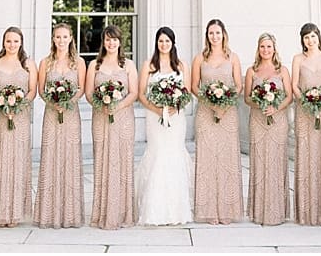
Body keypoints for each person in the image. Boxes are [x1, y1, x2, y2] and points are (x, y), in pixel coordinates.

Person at [136, 26, 194, 225]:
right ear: (156, 43)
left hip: (176, 118)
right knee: (158, 153)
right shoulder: (149, 66)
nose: (164, 44)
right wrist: (156, 108)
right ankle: (154, 209)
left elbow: (186, 93)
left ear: (173, 43)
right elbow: (141, 94)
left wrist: (175, 108)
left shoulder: (182, 65)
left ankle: (177, 210)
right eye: (161, 41)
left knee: (174, 154)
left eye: (167, 41)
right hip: (155, 117)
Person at [191, 18, 243, 224]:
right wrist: (211, 104)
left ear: (224, 35)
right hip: (205, 113)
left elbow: (238, 86)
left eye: (218, 33)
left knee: (226, 160)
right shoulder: (199, 58)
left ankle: (228, 210)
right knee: (208, 160)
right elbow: (195, 86)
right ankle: (209, 211)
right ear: (207, 36)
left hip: (228, 113)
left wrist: (224, 105)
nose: (214, 37)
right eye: (211, 33)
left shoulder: (233, 57)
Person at [0, 26, 36, 226]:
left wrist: (19, 104)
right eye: (8, 41)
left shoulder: (28, 64)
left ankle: (15, 213)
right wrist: (1, 105)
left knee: (17, 162)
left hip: (20, 118)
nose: (12, 45)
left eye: (15, 41)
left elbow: (32, 90)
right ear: (3, 42)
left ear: (21, 42)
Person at [86, 24, 137, 230]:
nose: (111, 43)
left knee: (122, 161)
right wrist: (102, 105)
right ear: (103, 42)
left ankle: (123, 213)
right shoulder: (94, 66)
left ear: (119, 42)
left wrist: (117, 106)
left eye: (114, 39)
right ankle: (102, 213)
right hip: (101, 117)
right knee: (103, 161)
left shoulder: (128, 65)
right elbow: (89, 93)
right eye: (107, 39)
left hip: (123, 118)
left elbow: (133, 93)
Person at [35, 22, 86, 228]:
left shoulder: (79, 62)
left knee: (69, 158)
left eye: (65, 37)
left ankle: (70, 214)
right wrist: (54, 103)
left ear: (71, 38)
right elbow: (40, 89)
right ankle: (49, 214)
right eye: (58, 37)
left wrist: (68, 102)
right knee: (51, 157)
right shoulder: (45, 62)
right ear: (53, 39)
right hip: (51, 114)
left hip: (71, 115)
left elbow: (81, 89)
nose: (61, 41)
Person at [291, 22, 321, 225]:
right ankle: (306, 213)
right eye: (306, 37)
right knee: (306, 156)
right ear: (302, 40)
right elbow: (294, 85)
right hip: (304, 112)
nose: (310, 41)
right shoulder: (297, 59)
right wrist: (305, 102)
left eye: (312, 36)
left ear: (318, 37)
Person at [244, 32, 293, 225]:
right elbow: (247, 97)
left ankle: (277, 212)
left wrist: (275, 107)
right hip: (257, 120)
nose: (266, 50)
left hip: (278, 121)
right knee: (260, 162)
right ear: (258, 49)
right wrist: (260, 104)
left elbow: (289, 96)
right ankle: (259, 212)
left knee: (276, 162)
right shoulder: (252, 71)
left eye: (269, 47)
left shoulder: (282, 71)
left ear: (274, 49)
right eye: (262, 47)